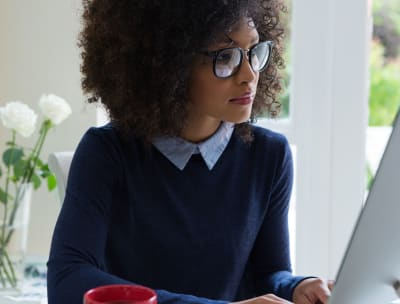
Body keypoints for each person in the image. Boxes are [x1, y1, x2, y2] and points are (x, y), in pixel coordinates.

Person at [47, 0, 333, 303]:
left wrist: (297, 287)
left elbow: (268, 273)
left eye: (254, 51)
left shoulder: (269, 155)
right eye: (226, 57)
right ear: (170, 62)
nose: (249, 74)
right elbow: (67, 280)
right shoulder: (107, 153)